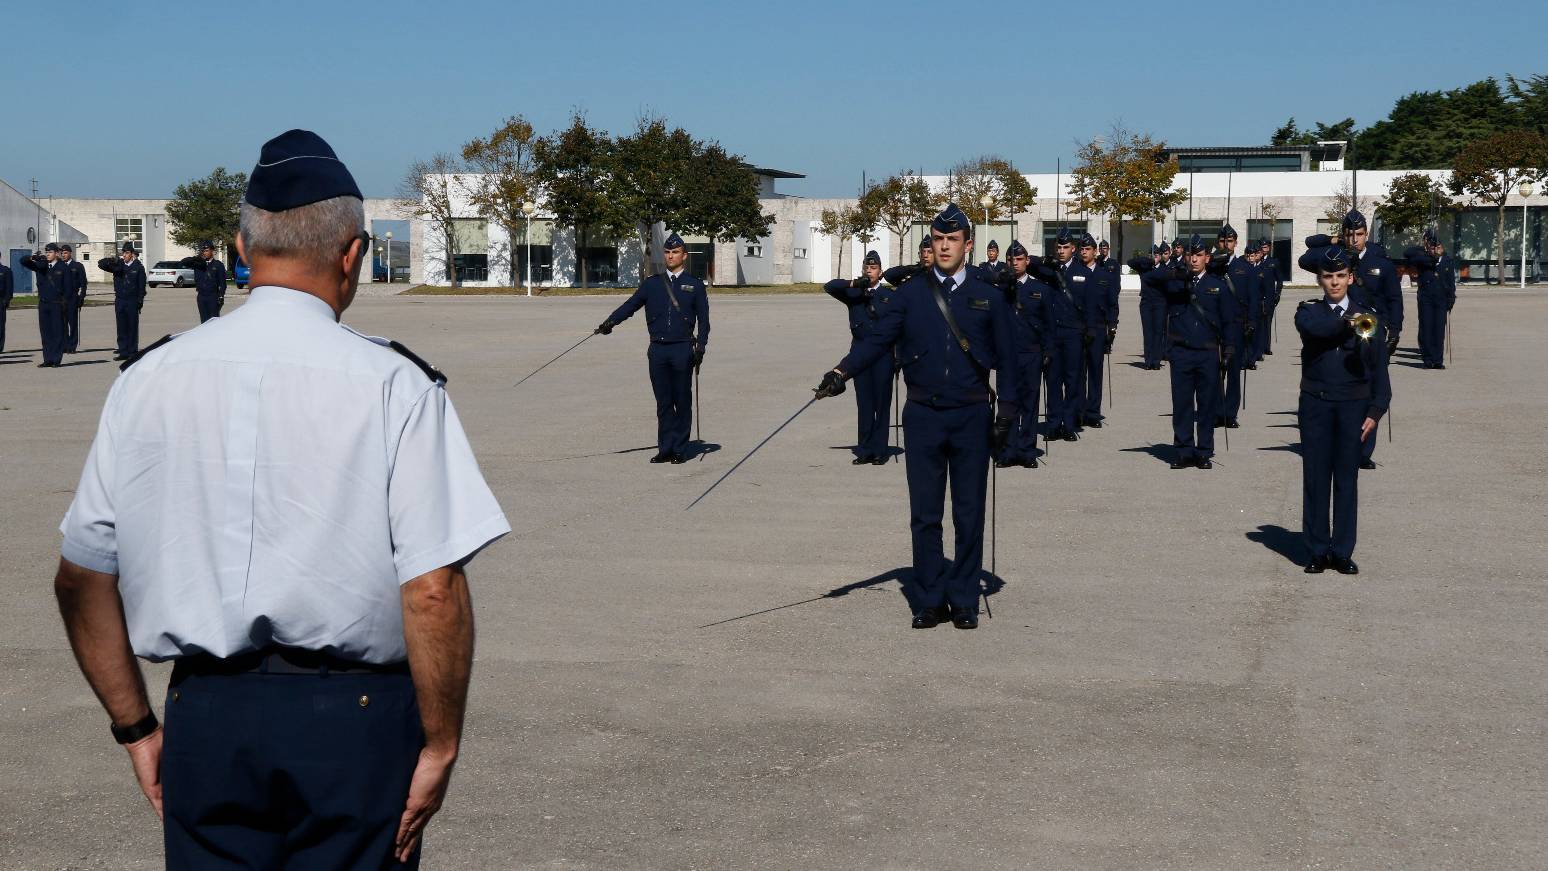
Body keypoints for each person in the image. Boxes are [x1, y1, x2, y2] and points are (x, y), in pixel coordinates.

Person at [54, 128, 510, 869]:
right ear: (353, 253)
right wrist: (442, 740)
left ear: (240, 246)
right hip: (355, 723)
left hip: (210, 715)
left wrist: (135, 728)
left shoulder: (147, 380)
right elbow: (432, 591)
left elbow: (81, 576)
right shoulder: (393, 384)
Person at [813, 203, 1018, 630]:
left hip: (971, 415)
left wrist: (1008, 415)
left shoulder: (989, 295)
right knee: (925, 514)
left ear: (968, 244)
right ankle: (928, 599)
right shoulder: (909, 294)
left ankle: (963, 599)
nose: (944, 247)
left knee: (968, 512)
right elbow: (876, 341)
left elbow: (1011, 361)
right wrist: (841, 372)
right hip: (922, 414)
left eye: (953, 240)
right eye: (938, 240)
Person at [1295, 246, 1391, 574]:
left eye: (1339, 276)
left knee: (1347, 481)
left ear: (1350, 278)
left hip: (1353, 407)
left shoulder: (1370, 315)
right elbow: (1317, 333)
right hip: (1316, 406)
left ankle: (1343, 551)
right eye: (1327, 277)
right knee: (1316, 479)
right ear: (1320, 280)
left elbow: (1380, 368)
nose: (1334, 282)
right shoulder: (1308, 312)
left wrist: (1376, 411)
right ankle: (1317, 550)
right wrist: (1347, 323)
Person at [596, 232, 710, 464]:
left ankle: (680, 449)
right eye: (667, 252)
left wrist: (701, 347)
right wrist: (610, 322)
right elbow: (631, 305)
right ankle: (665, 448)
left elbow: (705, 321)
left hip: (682, 348)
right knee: (663, 402)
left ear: (684, 256)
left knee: (682, 399)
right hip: (658, 350)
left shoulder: (695, 285)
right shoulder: (653, 284)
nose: (670, 256)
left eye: (675, 252)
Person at [1152, 234, 1238, 469]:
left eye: (1199, 255)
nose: (1194, 259)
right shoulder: (1176, 283)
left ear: (1207, 258)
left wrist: (1229, 347)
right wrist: (1175, 272)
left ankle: (1204, 451)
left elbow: (1229, 320)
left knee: (1207, 404)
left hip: (1208, 352)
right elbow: (1150, 277)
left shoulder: (1216, 285)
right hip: (1181, 352)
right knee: (1181, 404)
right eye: (1190, 255)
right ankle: (1183, 450)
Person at [823, 250, 894, 464]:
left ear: (880, 272)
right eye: (866, 268)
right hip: (859, 356)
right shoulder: (854, 294)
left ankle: (880, 450)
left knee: (881, 404)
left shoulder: (890, 296)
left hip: (882, 355)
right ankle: (864, 450)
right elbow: (830, 286)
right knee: (864, 404)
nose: (869, 271)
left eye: (873, 268)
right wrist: (855, 283)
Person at [997, 240, 1052, 468]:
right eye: (1011, 260)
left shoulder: (1040, 289)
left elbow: (1049, 324)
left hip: (1031, 353)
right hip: (1007, 355)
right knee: (1008, 404)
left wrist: (1048, 352)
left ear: (1027, 261)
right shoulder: (999, 289)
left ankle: (1027, 450)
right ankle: (1008, 450)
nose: (1015, 263)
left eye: (1019, 259)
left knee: (1029, 403)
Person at [1040, 228, 1084, 441]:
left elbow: (1091, 304)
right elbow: (1028, 263)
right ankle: (1053, 423)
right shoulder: (1049, 271)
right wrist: (1045, 261)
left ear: (1073, 249)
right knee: (1053, 379)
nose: (1061, 250)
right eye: (1058, 247)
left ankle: (1069, 424)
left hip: (1073, 333)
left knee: (1072, 379)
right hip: (1052, 332)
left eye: (1065, 247)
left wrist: (1092, 331)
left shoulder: (1083, 272)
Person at [1211, 224, 1257, 428]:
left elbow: (1254, 298)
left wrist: (1252, 322)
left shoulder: (1244, 267)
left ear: (1236, 243)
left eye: (1229, 241)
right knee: (1213, 371)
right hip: (1214, 326)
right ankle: (1215, 411)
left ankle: (1230, 413)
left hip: (1237, 325)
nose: (1225, 244)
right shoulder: (1210, 267)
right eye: (1222, 241)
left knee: (1234, 372)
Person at [1070, 233, 1117, 428]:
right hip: (1079, 328)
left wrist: (1112, 327)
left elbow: (1112, 303)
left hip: (1098, 328)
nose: (1084, 252)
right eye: (1081, 249)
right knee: (1078, 371)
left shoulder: (1105, 276)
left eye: (1087, 249)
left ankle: (1093, 412)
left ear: (1095, 252)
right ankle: (1079, 411)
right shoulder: (1074, 273)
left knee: (1095, 371)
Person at [1406, 228, 1456, 369]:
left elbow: (1451, 281)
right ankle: (1427, 359)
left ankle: (1438, 360)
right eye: (1434, 247)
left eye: (1438, 247)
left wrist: (1451, 298)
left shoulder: (1447, 260)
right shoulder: (1422, 258)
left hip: (1441, 298)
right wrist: (1426, 249)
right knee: (1426, 328)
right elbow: (1408, 253)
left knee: (1439, 330)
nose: (1436, 250)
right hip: (1426, 298)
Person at [97, 242, 148, 359]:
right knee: (121, 327)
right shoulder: (119, 266)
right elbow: (101, 264)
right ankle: (123, 351)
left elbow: (141, 287)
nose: (124, 255)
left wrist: (140, 301)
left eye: (126, 253)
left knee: (132, 326)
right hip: (120, 300)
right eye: (123, 253)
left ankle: (132, 351)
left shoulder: (138, 267)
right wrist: (113, 260)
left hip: (132, 300)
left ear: (132, 254)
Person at [21, 243, 67, 366]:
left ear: (57, 253)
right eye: (46, 252)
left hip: (57, 304)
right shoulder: (40, 266)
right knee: (45, 332)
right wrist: (33, 257)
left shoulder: (63, 267)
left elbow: (68, 288)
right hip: (43, 304)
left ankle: (56, 359)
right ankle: (48, 359)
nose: (48, 254)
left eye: (50, 252)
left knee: (57, 332)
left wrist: (65, 305)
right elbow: (23, 261)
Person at [1137, 242, 1169, 370]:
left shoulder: (1164, 269)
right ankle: (1148, 360)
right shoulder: (1144, 268)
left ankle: (1156, 361)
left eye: (1156, 255)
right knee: (1147, 332)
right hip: (1146, 303)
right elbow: (1131, 262)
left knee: (1158, 332)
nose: (1154, 257)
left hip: (1160, 303)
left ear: (1160, 256)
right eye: (1152, 255)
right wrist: (1147, 260)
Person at [181, 241, 227, 323]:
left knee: (214, 321)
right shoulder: (198, 264)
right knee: (203, 321)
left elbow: (222, 283)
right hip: (201, 296)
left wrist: (221, 296)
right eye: (203, 251)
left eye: (206, 250)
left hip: (213, 296)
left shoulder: (218, 265)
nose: (204, 253)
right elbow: (183, 261)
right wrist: (197, 258)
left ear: (212, 251)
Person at [59, 243, 89, 353]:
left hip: (73, 298)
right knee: (63, 323)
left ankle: (72, 346)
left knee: (73, 323)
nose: (63, 255)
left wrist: (81, 297)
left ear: (70, 253)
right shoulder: (60, 266)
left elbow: (83, 283)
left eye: (65, 253)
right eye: (62, 253)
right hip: (61, 299)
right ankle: (65, 345)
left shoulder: (77, 266)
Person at [0, 256, 11, 353]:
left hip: (0, 301)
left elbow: (9, 287)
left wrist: (6, 301)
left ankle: (0, 347)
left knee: (0, 325)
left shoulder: (5, 270)